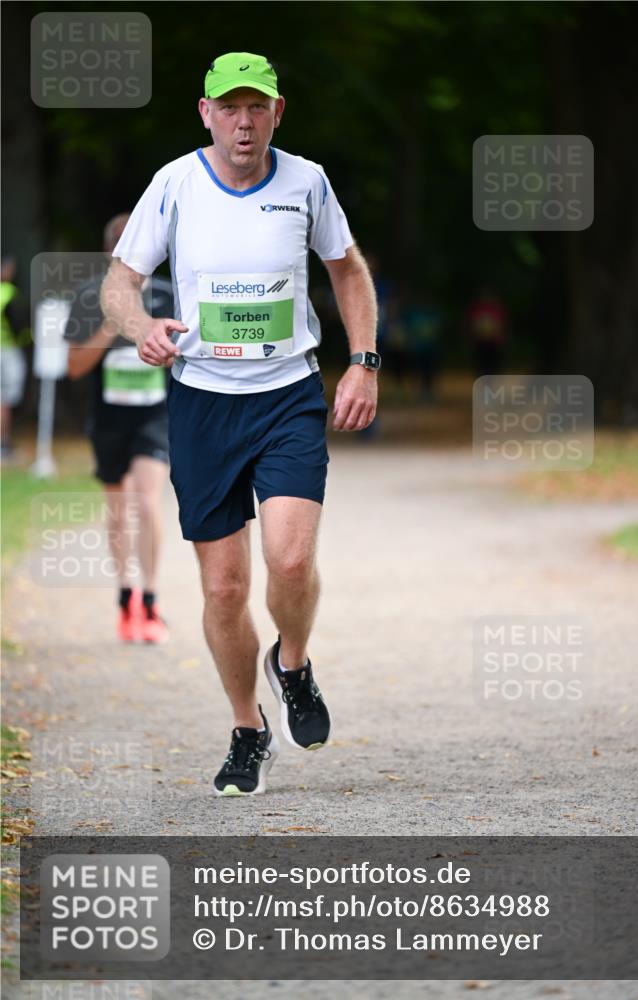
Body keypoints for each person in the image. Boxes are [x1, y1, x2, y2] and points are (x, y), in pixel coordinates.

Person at [101, 52, 380, 796]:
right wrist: (141, 329)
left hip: (287, 393)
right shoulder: (175, 185)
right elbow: (119, 285)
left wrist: (364, 360)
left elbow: (346, 270)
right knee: (223, 588)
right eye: (230, 107)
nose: (244, 121)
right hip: (202, 403)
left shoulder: (306, 182)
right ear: (206, 113)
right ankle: (247, 728)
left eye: (257, 107)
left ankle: (291, 664)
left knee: (289, 561)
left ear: (277, 113)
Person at [65, 214, 173, 643]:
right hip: (109, 418)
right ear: (111, 255)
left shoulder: (168, 294)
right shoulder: (89, 297)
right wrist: (113, 324)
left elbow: (182, 357)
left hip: (155, 415)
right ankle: (124, 596)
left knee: (146, 501)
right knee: (118, 509)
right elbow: (74, 367)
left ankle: (150, 599)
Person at [0, 257, 28, 462]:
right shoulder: (10, 293)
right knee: (5, 399)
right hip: (7, 350)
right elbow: (20, 326)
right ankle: (4, 443)